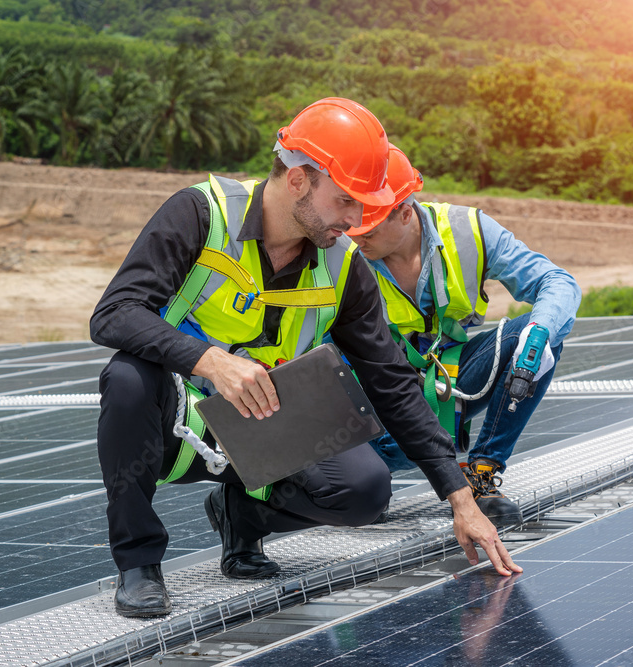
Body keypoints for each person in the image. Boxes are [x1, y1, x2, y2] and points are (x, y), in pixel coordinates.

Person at [90, 98, 521, 619]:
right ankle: (138, 564)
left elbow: (392, 382)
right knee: (127, 378)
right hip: (177, 417)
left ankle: (242, 517)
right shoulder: (201, 214)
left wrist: (460, 499)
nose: (357, 220)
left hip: (266, 429)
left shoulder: (344, 266)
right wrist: (209, 360)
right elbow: (113, 314)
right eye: (344, 201)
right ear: (298, 180)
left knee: (365, 489)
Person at [347, 146, 581, 527]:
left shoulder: (467, 231)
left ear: (405, 213)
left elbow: (556, 282)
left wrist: (538, 332)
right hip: (378, 402)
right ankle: (364, 481)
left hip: (448, 383)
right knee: (359, 491)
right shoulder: (341, 249)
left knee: (539, 338)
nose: (356, 238)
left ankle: (482, 470)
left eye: (368, 229)